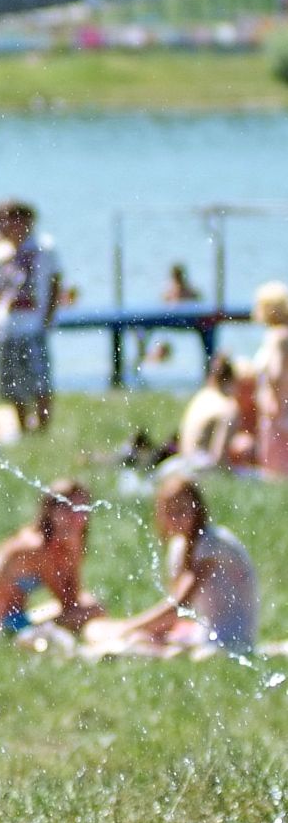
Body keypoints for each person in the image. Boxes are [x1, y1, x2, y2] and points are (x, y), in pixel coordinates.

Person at [97, 476, 258, 656]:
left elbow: (180, 605)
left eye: (182, 511)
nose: (175, 519)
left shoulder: (211, 543)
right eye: (169, 512)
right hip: (205, 632)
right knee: (136, 638)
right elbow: (175, 612)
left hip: (231, 638)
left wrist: (126, 627)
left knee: (137, 642)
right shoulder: (178, 547)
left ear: (197, 510)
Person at [0, 480, 105, 637]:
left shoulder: (59, 542)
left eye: (81, 509)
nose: (75, 516)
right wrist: (72, 550)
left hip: (20, 617)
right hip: (3, 625)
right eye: (67, 508)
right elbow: (68, 602)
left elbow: (74, 595)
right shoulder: (37, 547)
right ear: (51, 512)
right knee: (88, 612)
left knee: (90, 607)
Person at [0, 200, 60, 432]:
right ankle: (24, 426)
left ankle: (44, 427)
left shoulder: (44, 248)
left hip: (34, 323)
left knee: (40, 379)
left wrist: (48, 317)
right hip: (8, 325)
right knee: (13, 382)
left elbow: (55, 284)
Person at [173, 353, 244, 470]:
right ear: (232, 380)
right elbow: (219, 457)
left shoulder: (201, 396)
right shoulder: (228, 406)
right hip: (202, 469)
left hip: (183, 463)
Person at [252, 281, 288, 478]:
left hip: (276, 411)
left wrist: (272, 400)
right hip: (283, 407)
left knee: (274, 472)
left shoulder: (276, 336)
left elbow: (275, 373)